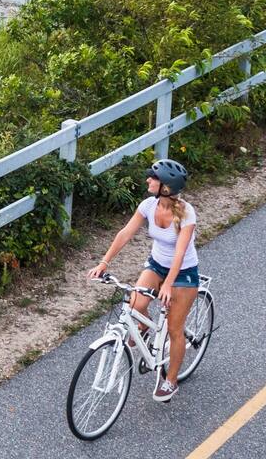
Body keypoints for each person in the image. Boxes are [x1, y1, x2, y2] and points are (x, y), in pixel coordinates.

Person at [85, 158, 199, 402]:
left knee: (174, 329)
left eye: (153, 177)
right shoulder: (148, 204)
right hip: (156, 265)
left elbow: (180, 252)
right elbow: (125, 232)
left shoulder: (187, 214)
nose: (148, 179)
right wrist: (104, 263)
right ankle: (145, 326)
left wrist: (168, 284)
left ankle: (171, 381)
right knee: (136, 304)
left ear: (166, 187)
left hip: (183, 273)